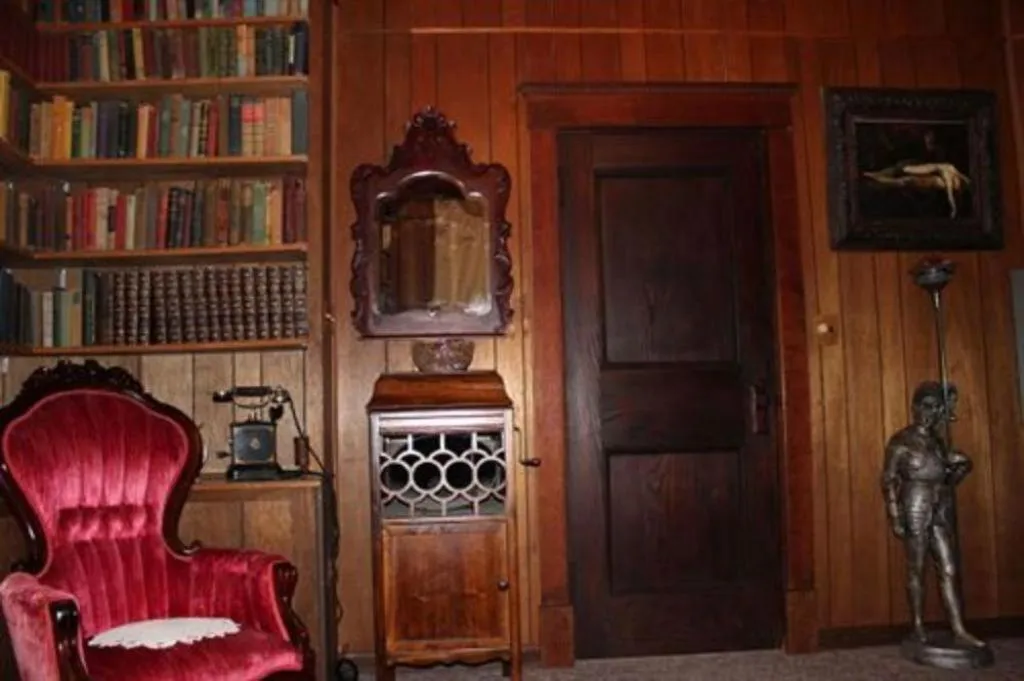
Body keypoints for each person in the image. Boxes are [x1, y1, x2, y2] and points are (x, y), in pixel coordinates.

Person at [881, 381, 984, 648]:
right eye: (927, 406)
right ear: (915, 407)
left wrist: (961, 468)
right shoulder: (901, 441)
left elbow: (947, 479)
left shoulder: (938, 442)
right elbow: (889, 479)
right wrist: (894, 514)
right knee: (916, 567)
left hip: (940, 503)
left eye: (937, 408)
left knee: (948, 567)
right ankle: (917, 626)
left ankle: (958, 629)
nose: (932, 413)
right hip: (915, 502)